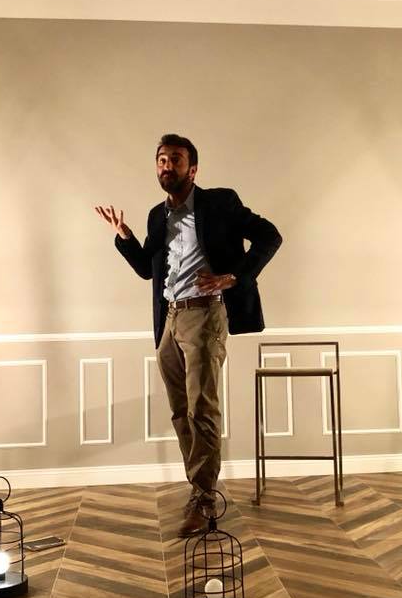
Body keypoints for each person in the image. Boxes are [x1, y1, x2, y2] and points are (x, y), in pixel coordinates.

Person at [95, 134, 282, 536]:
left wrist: (233, 278)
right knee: (181, 411)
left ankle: (205, 497)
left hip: (205, 315)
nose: (167, 166)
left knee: (202, 409)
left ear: (192, 169)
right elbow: (146, 269)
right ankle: (199, 488)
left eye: (175, 159)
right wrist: (124, 237)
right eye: (161, 159)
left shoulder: (220, 203)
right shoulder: (156, 216)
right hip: (169, 319)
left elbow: (270, 235)